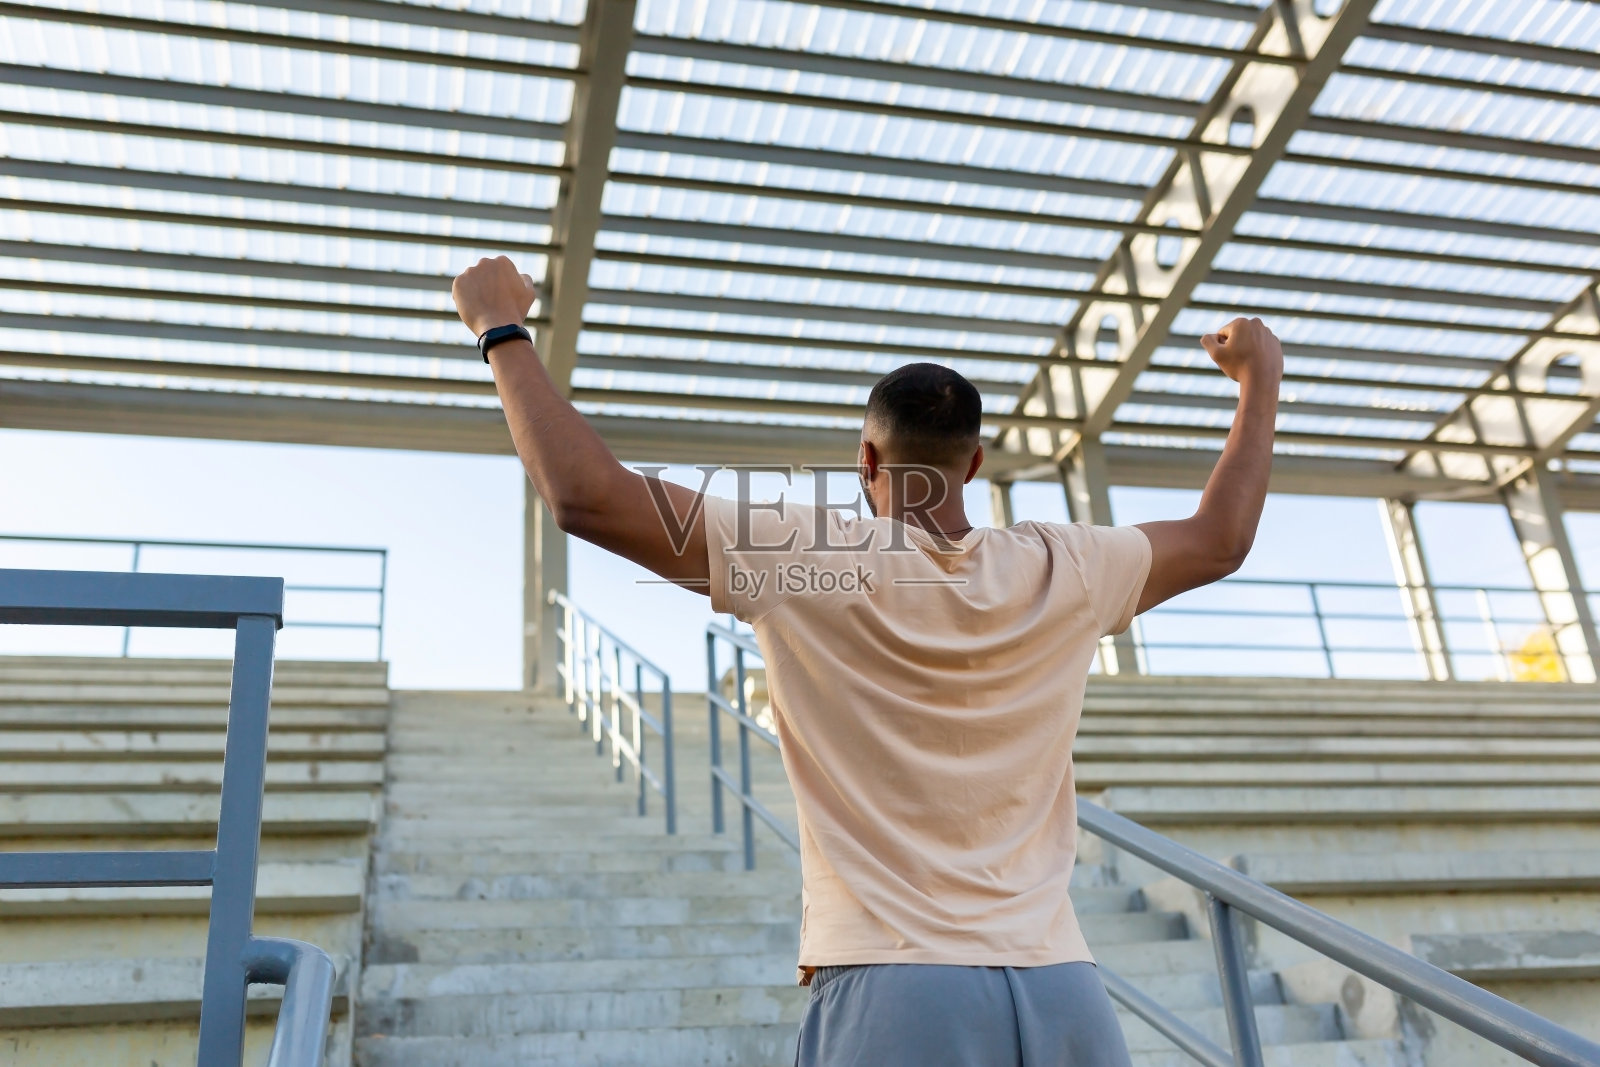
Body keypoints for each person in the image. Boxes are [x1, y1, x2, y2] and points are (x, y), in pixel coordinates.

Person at [452, 255, 1283, 1066]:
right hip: (1064, 987)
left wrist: (501, 327)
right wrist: (1260, 379)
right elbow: (1220, 538)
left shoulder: (805, 552)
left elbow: (587, 495)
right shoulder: (1068, 564)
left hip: (896, 984)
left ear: (868, 462)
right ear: (975, 464)